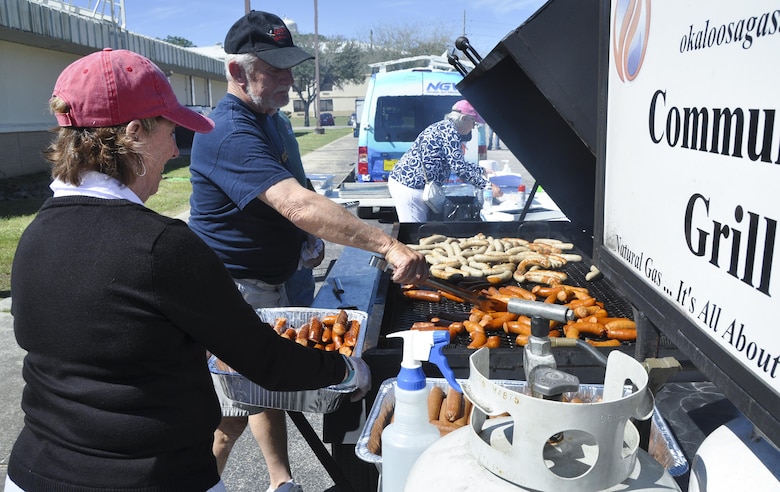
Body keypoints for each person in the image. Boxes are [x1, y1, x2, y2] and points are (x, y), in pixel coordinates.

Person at [5, 48, 371, 492]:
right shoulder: (162, 246)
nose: (176, 149)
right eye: (171, 132)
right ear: (135, 134)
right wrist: (346, 372)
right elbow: (265, 362)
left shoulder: (35, 235)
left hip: (32, 474)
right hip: (150, 478)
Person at [188, 11, 428, 492]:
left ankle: (280, 480)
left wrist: (307, 238)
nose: (289, 80)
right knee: (234, 409)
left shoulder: (271, 120)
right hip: (238, 287)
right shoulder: (227, 132)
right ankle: (195, 482)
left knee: (265, 390)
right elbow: (297, 203)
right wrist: (387, 245)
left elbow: (294, 192)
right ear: (237, 72)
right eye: (275, 69)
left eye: (290, 67)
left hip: (282, 276)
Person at [388, 100, 499, 222]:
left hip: (411, 184)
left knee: (420, 230)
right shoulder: (450, 133)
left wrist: (481, 170)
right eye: (474, 122)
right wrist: (487, 186)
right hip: (410, 187)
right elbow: (459, 168)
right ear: (464, 118)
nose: (473, 126)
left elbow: (457, 162)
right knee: (414, 231)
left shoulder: (445, 128)